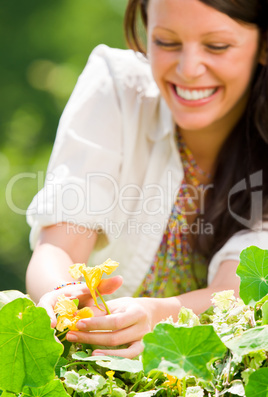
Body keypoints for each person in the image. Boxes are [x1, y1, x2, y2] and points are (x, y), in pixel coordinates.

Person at [26, 0, 268, 358]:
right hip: (94, 367)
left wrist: (161, 315)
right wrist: (63, 296)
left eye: (217, 46)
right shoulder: (119, 88)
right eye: (166, 42)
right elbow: (59, 245)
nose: (188, 69)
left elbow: (240, 289)